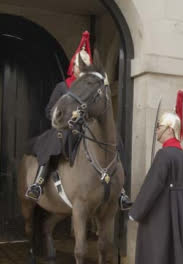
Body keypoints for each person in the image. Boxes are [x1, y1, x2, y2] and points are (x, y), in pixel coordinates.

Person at [25, 31, 132, 209]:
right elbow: (50, 110)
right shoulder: (63, 87)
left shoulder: (90, 86)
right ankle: (39, 181)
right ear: (72, 65)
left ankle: (121, 191)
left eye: (84, 64)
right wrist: (66, 118)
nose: (80, 67)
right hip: (66, 128)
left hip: (89, 128)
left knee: (115, 141)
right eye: (77, 64)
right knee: (56, 141)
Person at [129, 90, 183, 264]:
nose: (156, 130)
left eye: (159, 127)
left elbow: (152, 187)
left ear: (169, 129)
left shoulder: (164, 155)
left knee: (159, 252)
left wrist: (135, 212)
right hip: (180, 209)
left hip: (162, 212)